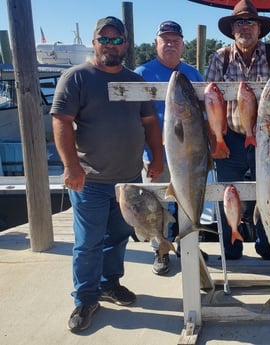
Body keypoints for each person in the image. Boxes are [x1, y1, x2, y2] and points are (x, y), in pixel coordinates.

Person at [51, 16, 164, 333]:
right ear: (94, 42)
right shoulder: (76, 78)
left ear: (126, 44)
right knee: (88, 243)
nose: (111, 45)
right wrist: (71, 166)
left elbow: (150, 124)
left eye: (118, 40)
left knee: (117, 237)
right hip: (90, 180)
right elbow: (61, 121)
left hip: (128, 181)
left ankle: (109, 284)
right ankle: (85, 299)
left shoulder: (135, 81)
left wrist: (156, 157)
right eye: (105, 39)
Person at [205, 0, 270, 260]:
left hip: (267, 139)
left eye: (250, 22)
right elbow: (207, 104)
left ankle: (268, 246)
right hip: (230, 137)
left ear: (259, 28)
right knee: (227, 194)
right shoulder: (219, 57)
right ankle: (231, 249)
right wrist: (215, 141)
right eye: (240, 22)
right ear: (232, 29)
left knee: (269, 192)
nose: (245, 27)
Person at [135, 20, 210, 275]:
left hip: (191, 154)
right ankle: (161, 249)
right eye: (165, 39)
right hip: (157, 154)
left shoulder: (194, 73)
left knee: (187, 200)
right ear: (156, 42)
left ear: (182, 44)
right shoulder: (142, 73)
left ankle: (190, 245)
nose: (170, 44)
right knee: (158, 204)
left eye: (175, 40)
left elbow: (205, 115)